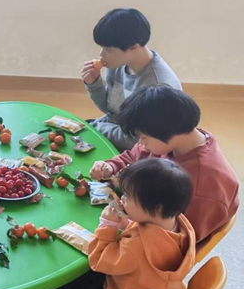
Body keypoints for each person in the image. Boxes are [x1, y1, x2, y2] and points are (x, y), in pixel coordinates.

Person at [22, 158, 196, 289]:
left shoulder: (136, 247)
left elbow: (99, 261)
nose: (122, 199)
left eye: (129, 197)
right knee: (85, 280)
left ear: (156, 207)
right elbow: (147, 238)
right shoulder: (179, 224)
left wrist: (107, 226)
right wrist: (129, 223)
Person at [88, 86, 238, 243]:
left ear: (166, 132)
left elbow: (181, 241)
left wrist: (128, 225)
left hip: (160, 244)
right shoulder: (175, 139)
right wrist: (112, 166)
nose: (140, 143)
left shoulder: (203, 186)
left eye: (143, 137)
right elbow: (135, 155)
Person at [82, 8, 181, 150]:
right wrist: (93, 84)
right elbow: (112, 111)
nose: (101, 54)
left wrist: (93, 126)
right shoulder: (117, 64)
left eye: (108, 49)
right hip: (114, 130)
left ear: (134, 47)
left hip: (140, 150)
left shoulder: (157, 86)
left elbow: (135, 141)